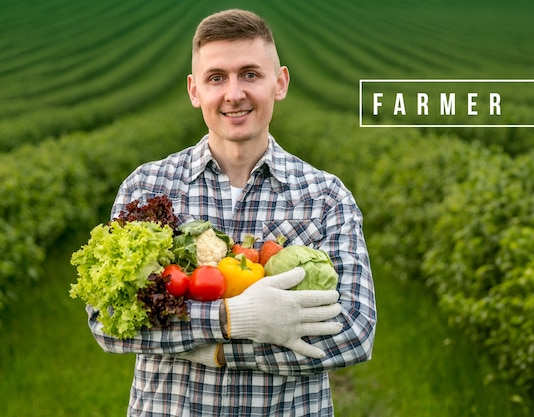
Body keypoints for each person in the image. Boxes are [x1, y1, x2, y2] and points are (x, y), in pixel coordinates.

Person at [86, 8, 376, 416]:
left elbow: (354, 333)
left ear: (280, 83)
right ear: (194, 90)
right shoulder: (147, 188)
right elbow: (110, 319)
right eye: (216, 77)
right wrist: (228, 319)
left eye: (250, 74)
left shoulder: (325, 196)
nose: (234, 93)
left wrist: (217, 352)